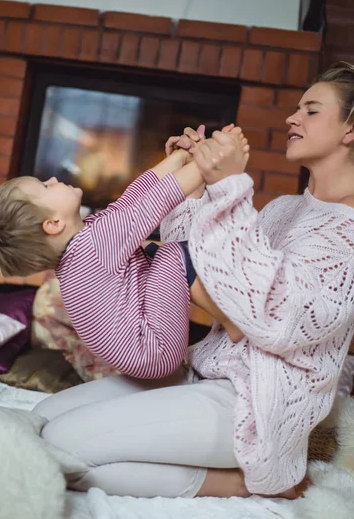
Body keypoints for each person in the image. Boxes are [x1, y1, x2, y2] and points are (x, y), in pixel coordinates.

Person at [32, 61, 354, 500]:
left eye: (311, 110)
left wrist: (231, 186)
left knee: (61, 448)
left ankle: (242, 484)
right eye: (296, 108)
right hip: (203, 374)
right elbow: (202, 265)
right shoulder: (284, 209)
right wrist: (198, 187)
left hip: (254, 402)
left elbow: (276, 320)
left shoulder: (346, 236)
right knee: (42, 419)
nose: (291, 118)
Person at [0, 126, 248, 379]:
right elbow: (155, 201)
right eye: (44, 186)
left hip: (145, 354)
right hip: (156, 349)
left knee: (150, 249)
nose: (51, 179)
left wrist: (178, 158)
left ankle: (225, 313)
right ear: (53, 224)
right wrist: (211, 159)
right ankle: (232, 320)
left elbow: (132, 199)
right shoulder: (93, 247)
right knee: (170, 254)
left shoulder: (80, 251)